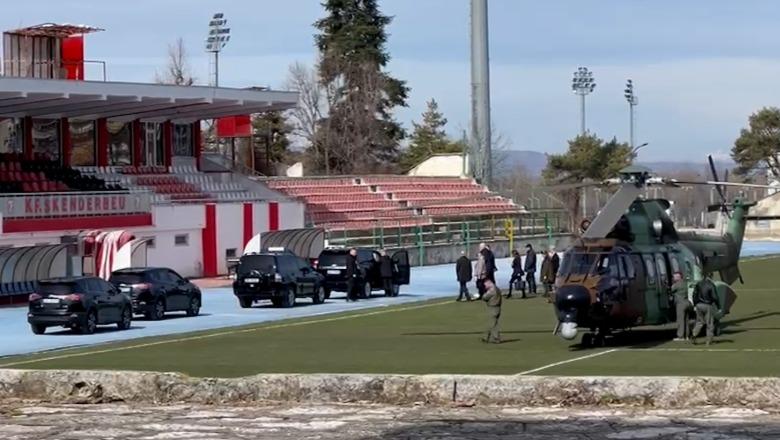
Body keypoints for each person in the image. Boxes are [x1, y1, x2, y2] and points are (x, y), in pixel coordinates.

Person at [691, 274, 720, 345]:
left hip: (698, 305)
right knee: (709, 323)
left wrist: (695, 304)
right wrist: (718, 306)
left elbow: (694, 294)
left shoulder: (698, 284)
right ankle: (709, 340)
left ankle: (694, 334)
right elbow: (715, 297)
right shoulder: (711, 285)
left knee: (699, 322)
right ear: (711, 276)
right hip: (707, 305)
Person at [671, 271, 691, 341]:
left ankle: (680, 336)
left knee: (680, 320)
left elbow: (671, 289)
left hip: (680, 304)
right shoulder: (685, 283)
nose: (673, 278)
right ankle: (687, 336)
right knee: (686, 320)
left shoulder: (677, 284)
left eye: (675, 276)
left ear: (678, 277)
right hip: (687, 302)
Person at [482, 278, 502, 343]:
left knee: (493, 324)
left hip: (493, 308)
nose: (485, 286)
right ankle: (486, 337)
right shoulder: (497, 289)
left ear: (489, 283)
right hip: (498, 307)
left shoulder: (492, 290)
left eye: (485, 285)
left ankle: (496, 338)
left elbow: (485, 297)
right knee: (492, 323)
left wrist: (485, 293)